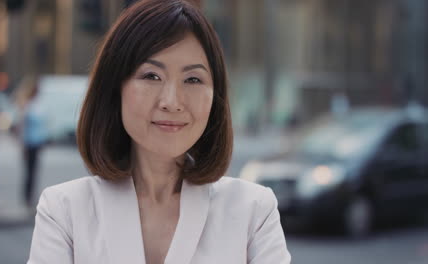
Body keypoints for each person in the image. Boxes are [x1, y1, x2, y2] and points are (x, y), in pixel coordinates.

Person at [27, 0, 291, 263]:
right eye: (152, 76)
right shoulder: (64, 211)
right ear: (115, 87)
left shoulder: (253, 210)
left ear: (215, 97)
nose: (172, 101)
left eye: (193, 79)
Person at [20, 77, 48, 208]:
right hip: (29, 143)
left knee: (34, 171)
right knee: (29, 171)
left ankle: (30, 196)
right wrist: (23, 144)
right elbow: (23, 126)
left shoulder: (38, 104)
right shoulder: (28, 105)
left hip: (37, 142)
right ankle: (26, 197)